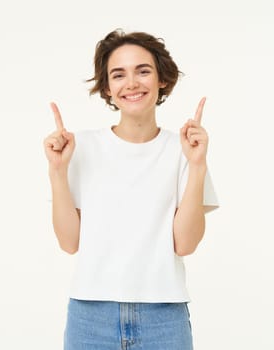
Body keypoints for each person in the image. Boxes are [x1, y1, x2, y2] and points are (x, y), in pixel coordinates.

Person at [43, 29, 219, 350]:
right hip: (90, 317)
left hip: (164, 317)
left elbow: (185, 244)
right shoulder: (79, 147)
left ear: (162, 79)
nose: (132, 83)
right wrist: (57, 171)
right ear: (108, 89)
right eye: (118, 74)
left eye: (143, 71)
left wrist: (196, 165)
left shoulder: (184, 150)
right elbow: (69, 243)